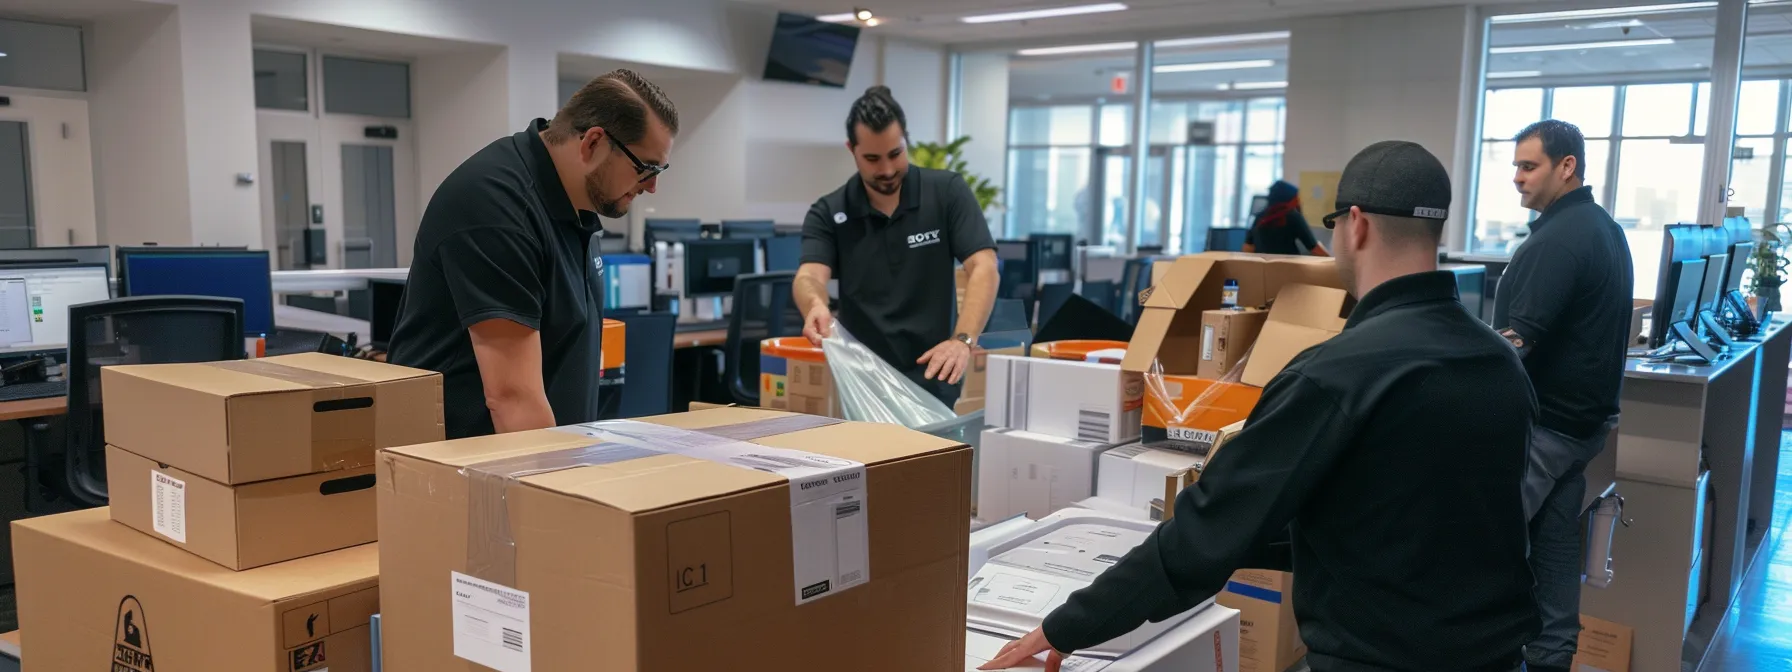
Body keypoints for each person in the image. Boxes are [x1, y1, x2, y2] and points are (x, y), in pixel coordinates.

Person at [982, 141, 1540, 672]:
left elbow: (1207, 533)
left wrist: (1064, 627)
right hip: (1499, 654)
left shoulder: (1335, 374)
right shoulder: (1500, 362)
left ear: (1357, 225)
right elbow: (1405, 523)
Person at [388, 69, 678, 439]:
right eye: (646, 168)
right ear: (592, 143)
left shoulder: (579, 203)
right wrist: (553, 488)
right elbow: (512, 399)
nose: (652, 186)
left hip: (544, 456)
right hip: (466, 467)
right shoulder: (496, 207)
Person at [1496, 119, 1633, 672]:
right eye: (1516, 167)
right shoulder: (1602, 227)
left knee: (1484, 549)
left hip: (1545, 428)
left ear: (1566, 166)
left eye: (1528, 167)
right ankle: (1552, 658)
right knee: (1553, 552)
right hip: (1582, 430)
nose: (1517, 179)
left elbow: (1513, 344)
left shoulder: (1558, 239)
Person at [795, 86, 999, 407]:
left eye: (895, 154)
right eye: (872, 159)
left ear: (906, 141)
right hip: (865, 383)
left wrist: (963, 340)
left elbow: (984, 267)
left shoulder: (946, 193)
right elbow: (809, 276)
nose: (887, 170)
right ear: (852, 150)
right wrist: (815, 306)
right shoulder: (830, 211)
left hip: (935, 374)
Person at [1244, 179, 1329, 256]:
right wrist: (1334, 264)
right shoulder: (1293, 217)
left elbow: (1247, 248)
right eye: (1296, 198)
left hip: (1262, 270)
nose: (1298, 201)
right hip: (1288, 269)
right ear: (1289, 199)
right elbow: (1315, 249)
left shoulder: (1259, 217)